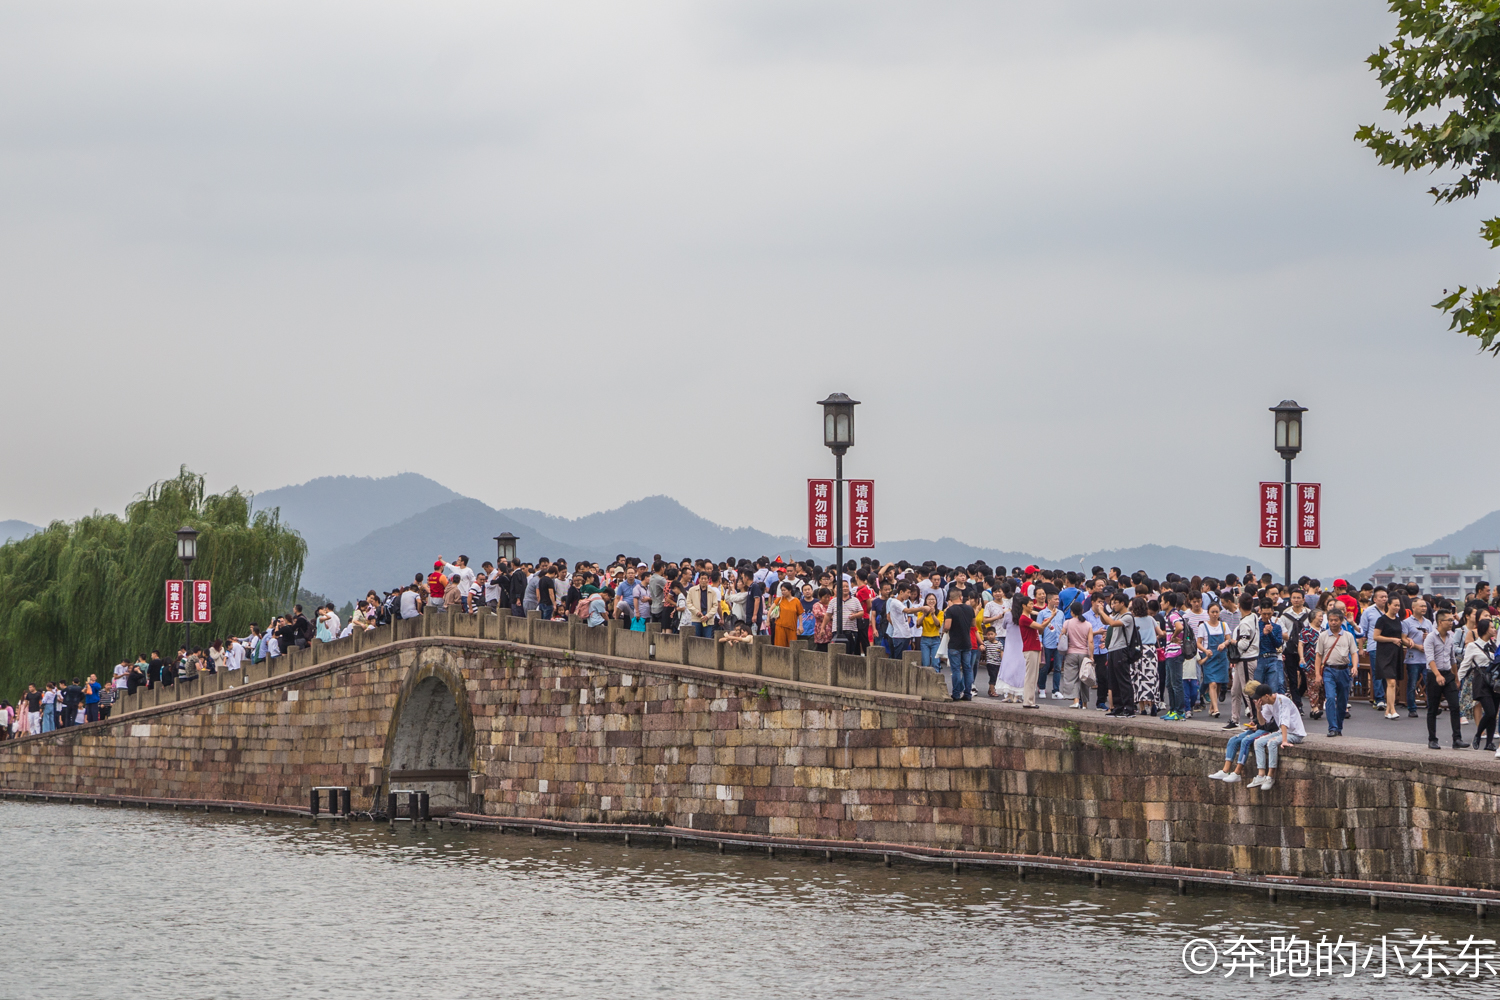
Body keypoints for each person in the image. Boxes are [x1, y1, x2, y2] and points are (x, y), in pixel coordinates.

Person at [1208, 681, 1272, 784]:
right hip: (1259, 727)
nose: (1253, 699)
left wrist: (1258, 725)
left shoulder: (1269, 704)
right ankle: (1226, 770)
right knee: (1234, 739)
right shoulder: (1259, 704)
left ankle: (1237, 772)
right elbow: (1259, 718)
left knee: (1245, 741)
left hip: (1266, 730)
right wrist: (1254, 722)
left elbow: (1270, 723)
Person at [1422, 608, 1467, 750]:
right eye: (1449, 620)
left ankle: (1457, 738)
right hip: (1434, 674)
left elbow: (1452, 658)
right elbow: (1430, 658)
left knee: (1455, 706)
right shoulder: (1431, 637)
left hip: (1448, 673)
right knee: (1433, 708)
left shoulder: (1450, 637)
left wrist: (1456, 677)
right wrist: (1437, 675)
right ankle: (1432, 739)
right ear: (1440, 622)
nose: (1451, 623)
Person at [1246, 685, 1305, 790]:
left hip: (1295, 733)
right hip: (1281, 732)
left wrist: (1284, 740)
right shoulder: (1268, 704)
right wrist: (1258, 710)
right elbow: (1263, 722)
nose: (1258, 700)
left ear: (1266, 696)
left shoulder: (1283, 701)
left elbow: (1284, 721)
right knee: (1258, 742)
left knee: (1272, 743)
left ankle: (1270, 776)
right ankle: (1261, 775)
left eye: (1260, 698)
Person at [1314, 605, 1358, 737]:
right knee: (1330, 698)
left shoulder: (1348, 635)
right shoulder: (1323, 636)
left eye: (1336, 620)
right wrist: (1317, 674)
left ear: (1341, 621)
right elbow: (1318, 656)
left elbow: (1354, 653)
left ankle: (1339, 726)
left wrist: (1354, 666)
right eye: (1331, 620)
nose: (1333, 622)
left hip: (1344, 670)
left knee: (1343, 700)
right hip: (1329, 670)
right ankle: (1332, 727)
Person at [1461, 618, 1496, 752]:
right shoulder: (1473, 646)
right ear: (1485, 629)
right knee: (1490, 711)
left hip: (1494, 681)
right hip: (1481, 681)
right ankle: (1478, 734)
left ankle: (1489, 743)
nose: (1494, 630)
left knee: (1493, 713)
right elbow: (1465, 665)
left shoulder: (1494, 645)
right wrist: (1457, 680)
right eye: (1492, 627)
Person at [942, 588, 976, 701]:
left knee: (956, 669)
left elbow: (947, 627)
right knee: (967, 669)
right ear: (961, 597)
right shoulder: (969, 609)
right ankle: (968, 693)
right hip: (967, 642)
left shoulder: (950, 611)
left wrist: (944, 630)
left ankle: (956, 694)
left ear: (950, 599)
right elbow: (973, 624)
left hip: (954, 643)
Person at [916, 594, 943, 669]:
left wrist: (933, 614)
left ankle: (937, 679)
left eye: (933, 599)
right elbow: (918, 623)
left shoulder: (940, 613)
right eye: (929, 599)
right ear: (926, 602)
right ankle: (926, 680)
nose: (931, 601)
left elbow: (938, 624)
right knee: (925, 663)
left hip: (936, 639)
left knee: (935, 663)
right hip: (925, 639)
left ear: (936, 601)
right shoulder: (921, 612)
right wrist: (924, 614)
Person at [770, 583, 802, 648]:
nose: (783, 592)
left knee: (792, 646)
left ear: (790, 590)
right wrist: (768, 620)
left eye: (784, 590)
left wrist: (800, 625)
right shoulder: (779, 599)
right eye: (782, 590)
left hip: (792, 627)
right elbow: (770, 609)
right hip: (780, 626)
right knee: (780, 646)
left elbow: (800, 614)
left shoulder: (796, 601)